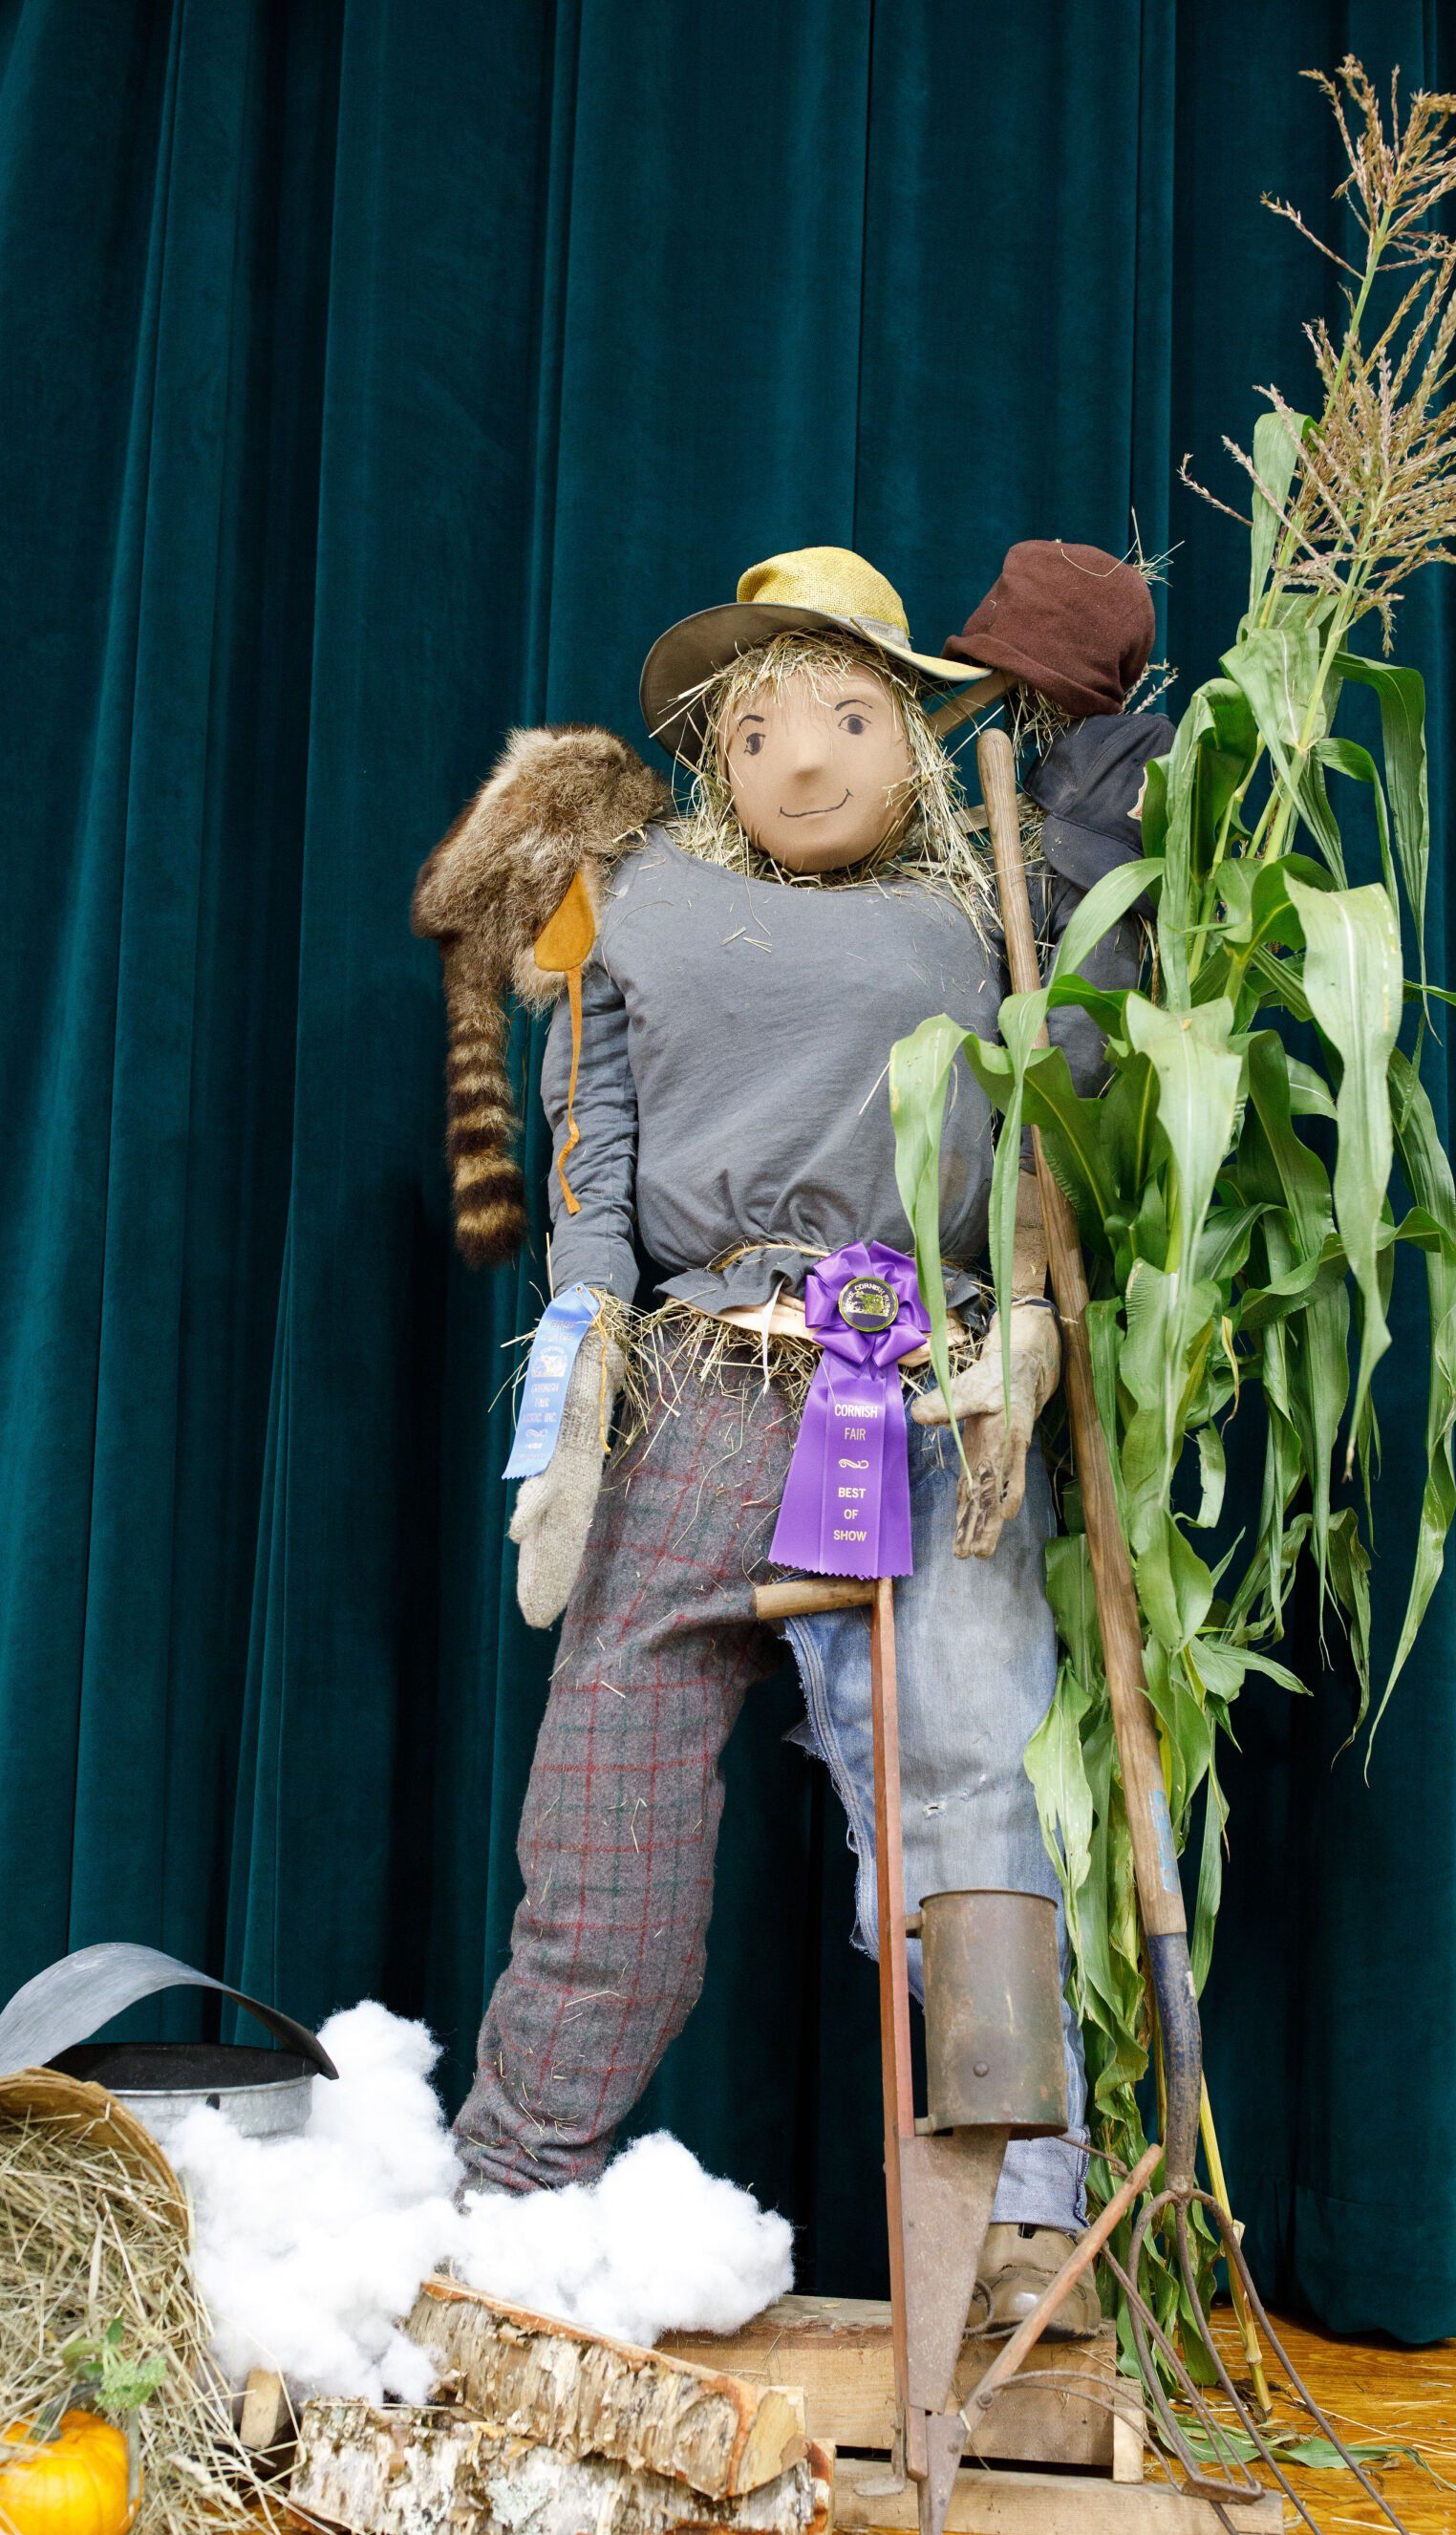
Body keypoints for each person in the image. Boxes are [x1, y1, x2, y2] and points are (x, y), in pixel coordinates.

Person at [413, 544, 1159, 2332]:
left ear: (911, 723)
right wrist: (573, 1371)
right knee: (605, 1791)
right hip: (701, 1383)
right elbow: (591, 1152)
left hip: (923, 1397)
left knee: (970, 1774)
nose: (803, 762)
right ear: (706, 755)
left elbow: (1075, 1093)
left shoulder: (991, 891)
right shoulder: (631, 896)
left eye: (843, 716)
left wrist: (1095, 881)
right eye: (754, 731)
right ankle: (511, 2208)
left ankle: (1023, 2246)